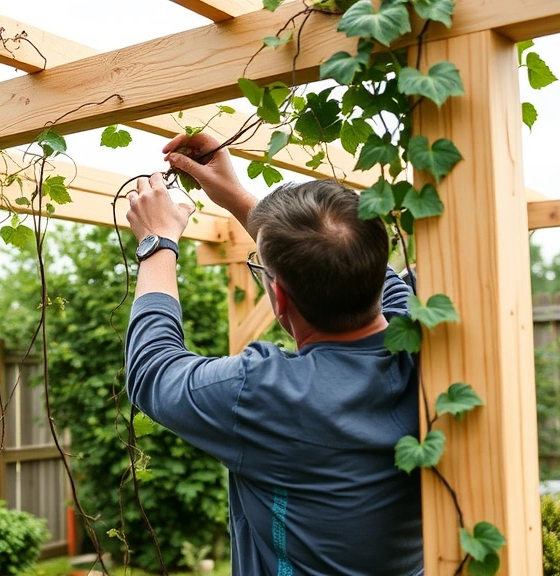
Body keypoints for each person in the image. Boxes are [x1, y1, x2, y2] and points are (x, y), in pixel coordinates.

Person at [123, 132, 423, 576]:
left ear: (278, 300)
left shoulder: (266, 393)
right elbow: (344, 257)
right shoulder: (420, 339)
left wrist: (157, 241)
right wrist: (238, 198)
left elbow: (153, 371)